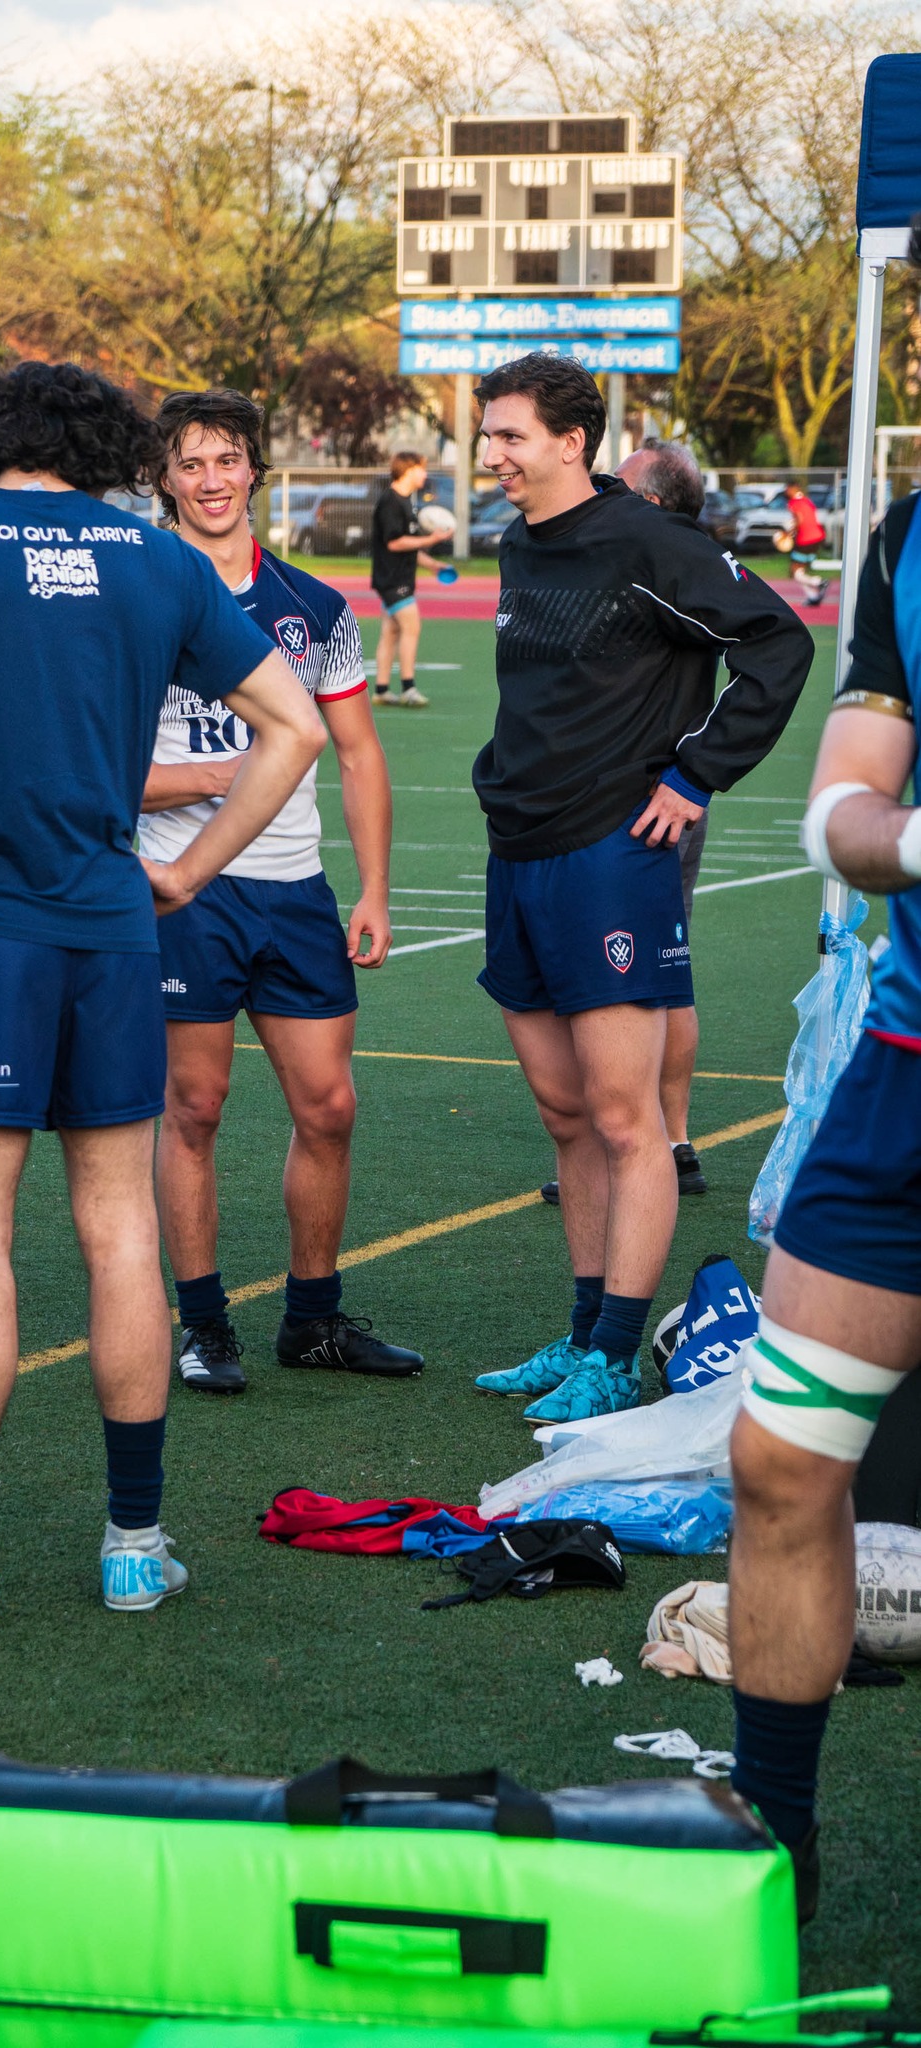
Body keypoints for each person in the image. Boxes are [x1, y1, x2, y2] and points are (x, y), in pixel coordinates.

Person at [0, 361, 324, 1626]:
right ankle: (135, 1544)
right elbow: (294, 729)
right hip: (112, 928)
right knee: (121, 1231)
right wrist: (188, 867)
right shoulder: (163, 562)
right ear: (114, 450)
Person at [467, 353, 812, 1425]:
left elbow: (779, 642)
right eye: (489, 434)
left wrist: (694, 772)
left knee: (628, 1119)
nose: (492, 454)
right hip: (516, 847)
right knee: (566, 1113)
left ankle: (617, 1356)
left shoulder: (653, 542)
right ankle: (580, 1335)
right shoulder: (522, 540)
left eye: (511, 435)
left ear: (573, 440)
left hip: (611, 855)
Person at [140, 388, 423, 1393]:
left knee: (330, 1105)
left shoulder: (314, 607)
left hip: (293, 888)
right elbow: (89, 763)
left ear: (256, 469)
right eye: (191, 463)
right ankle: (204, 1322)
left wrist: (376, 887)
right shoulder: (136, 595)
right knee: (196, 1107)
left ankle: (312, 1318)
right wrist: (218, 778)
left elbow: (355, 752)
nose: (211, 480)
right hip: (182, 894)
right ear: (163, 480)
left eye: (227, 460)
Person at [730, 449, 921, 1923]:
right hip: (903, 1084)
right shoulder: (908, 538)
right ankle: (769, 1894)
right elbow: (842, 808)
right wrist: (909, 837)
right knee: (782, 1466)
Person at [539, 438, 712, 1205]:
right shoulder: (651, 558)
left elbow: (775, 649)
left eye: (618, 481)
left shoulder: (667, 561)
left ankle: (649, 1141)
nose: (601, 487)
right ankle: (665, 1141)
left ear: (647, 503)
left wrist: (694, 776)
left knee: (650, 978)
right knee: (664, 973)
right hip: (626, 800)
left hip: (642, 805)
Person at [370, 453, 439, 708]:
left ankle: (381, 689)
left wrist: (432, 564)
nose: (424, 474)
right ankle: (408, 688)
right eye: (421, 469)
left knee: (390, 632)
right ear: (408, 470)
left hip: (398, 578)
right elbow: (394, 542)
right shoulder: (391, 502)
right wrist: (430, 540)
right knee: (412, 627)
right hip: (392, 579)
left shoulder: (407, 502)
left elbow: (408, 545)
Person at [783, 485, 827, 607]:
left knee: (795, 572)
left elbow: (799, 520)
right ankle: (813, 597)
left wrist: (788, 534)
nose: (786, 492)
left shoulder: (794, 503)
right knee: (800, 571)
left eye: (788, 489)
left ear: (795, 489)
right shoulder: (807, 501)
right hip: (817, 537)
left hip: (805, 539)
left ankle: (818, 582)